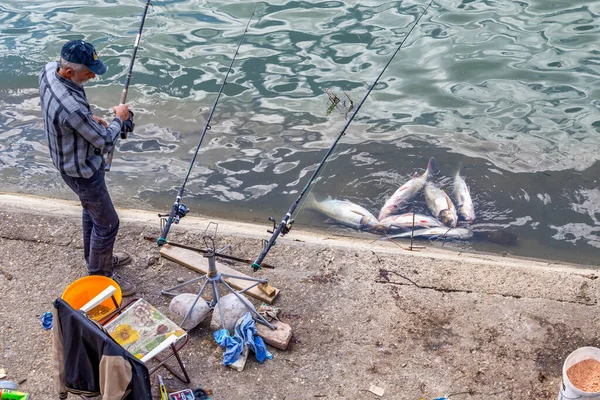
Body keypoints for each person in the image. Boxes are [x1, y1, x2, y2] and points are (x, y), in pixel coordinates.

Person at [39, 39, 136, 295]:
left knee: (92, 212)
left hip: (65, 160)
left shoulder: (49, 70)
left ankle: (95, 260)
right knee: (108, 223)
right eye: (89, 71)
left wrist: (88, 120)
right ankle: (101, 276)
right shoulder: (72, 109)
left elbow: (65, 113)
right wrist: (120, 118)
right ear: (70, 72)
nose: (93, 75)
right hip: (81, 170)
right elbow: (104, 141)